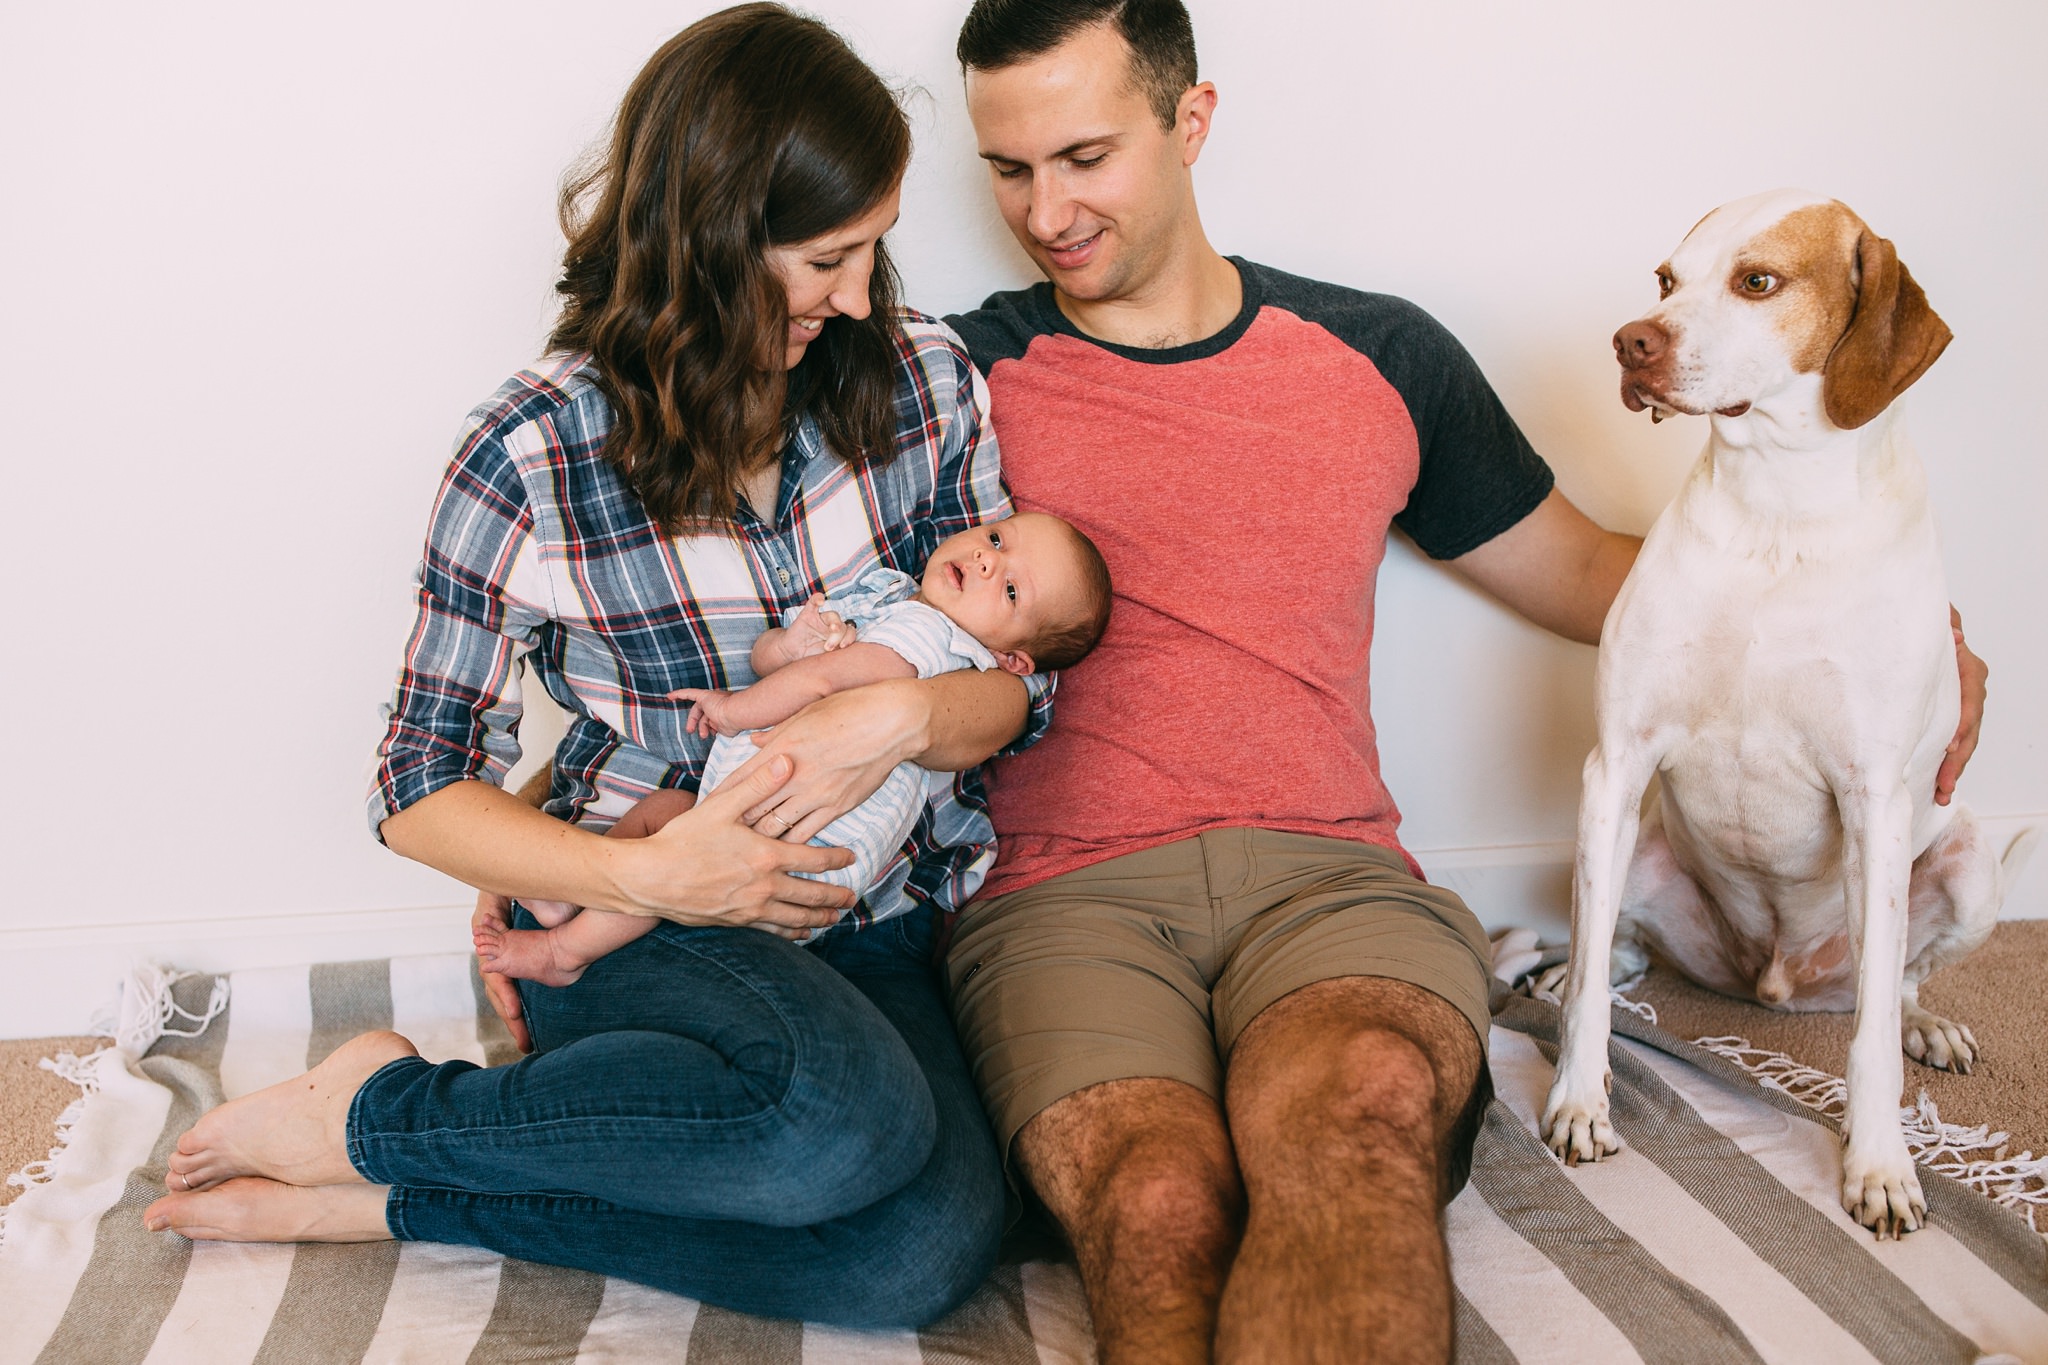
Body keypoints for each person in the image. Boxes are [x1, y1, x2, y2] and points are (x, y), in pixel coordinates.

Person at [936, 3, 1991, 1363]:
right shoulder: (949, 371)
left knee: (1354, 1124)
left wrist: (1911, 635)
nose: (1046, 208)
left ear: (1190, 121)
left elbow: (1604, 576)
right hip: (1061, 894)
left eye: (1084, 156)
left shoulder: (1382, 351)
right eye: (1008, 171)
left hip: (1329, 882)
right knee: (1156, 1198)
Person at [140, 3, 1042, 1329]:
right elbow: (416, 785)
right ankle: (389, 1107)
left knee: (921, 1254)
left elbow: (1016, 693)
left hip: (879, 910)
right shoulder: (533, 453)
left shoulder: (922, 382)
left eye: (873, 249)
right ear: (714, 235)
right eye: (827, 257)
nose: (860, 294)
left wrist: (900, 715)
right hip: (641, 922)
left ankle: (386, 1173)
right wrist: (646, 874)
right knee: (831, 1127)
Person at [477, 511, 1112, 986]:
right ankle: (566, 895)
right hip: (812, 860)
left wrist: (731, 710)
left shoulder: (935, 639)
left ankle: (567, 951)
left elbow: (820, 681)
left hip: (796, 843)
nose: (985, 562)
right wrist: (788, 644)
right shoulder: (894, 598)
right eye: (997, 540)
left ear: (1012, 658)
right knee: (670, 814)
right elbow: (781, 660)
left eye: (1009, 591)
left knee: (676, 851)